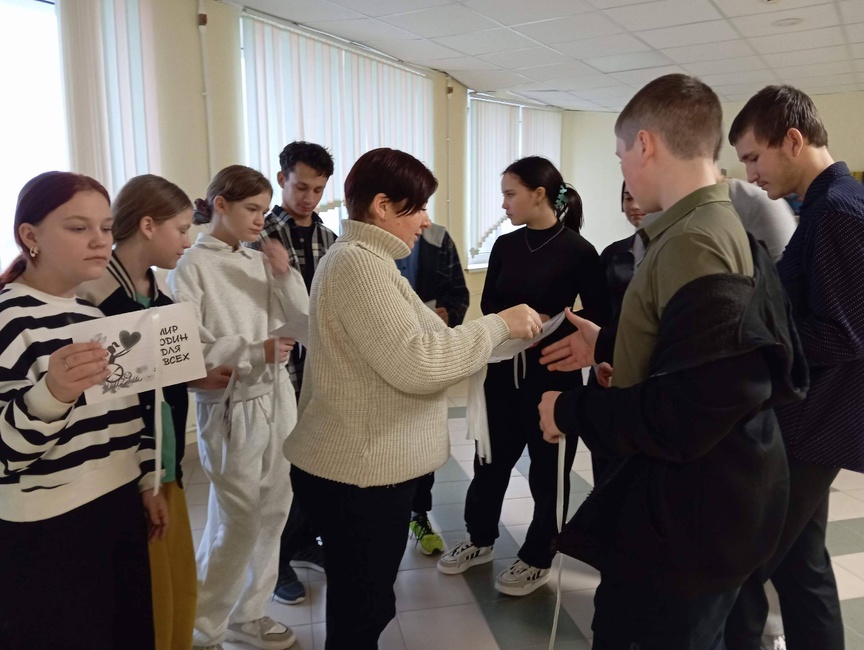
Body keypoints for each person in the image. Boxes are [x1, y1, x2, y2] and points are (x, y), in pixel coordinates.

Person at [537, 74, 807, 649]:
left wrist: (568, 409)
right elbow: (700, 356)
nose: (624, 172)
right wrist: (611, 347)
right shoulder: (709, 226)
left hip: (691, 518)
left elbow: (685, 413)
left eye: (621, 156)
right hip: (706, 503)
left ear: (645, 145)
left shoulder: (694, 242)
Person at [283, 147, 542, 649]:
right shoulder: (358, 265)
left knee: (369, 603)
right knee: (361, 612)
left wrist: (505, 339)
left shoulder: (372, 263)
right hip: (358, 475)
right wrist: (497, 325)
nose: (426, 221)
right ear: (382, 206)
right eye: (419, 207)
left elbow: (434, 341)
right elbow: (420, 363)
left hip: (368, 470)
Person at [724, 85, 864, 650]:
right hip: (815, 422)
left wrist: (753, 332)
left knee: (741, 569)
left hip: (813, 426)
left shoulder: (836, 211)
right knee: (802, 568)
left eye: (754, 157)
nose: (751, 174)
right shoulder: (828, 204)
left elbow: (844, 334)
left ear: (793, 140)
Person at [0, 171, 164, 650]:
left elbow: (128, 413)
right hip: (47, 529)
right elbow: (6, 454)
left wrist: (146, 480)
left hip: (117, 510)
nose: (99, 241)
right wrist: (53, 392)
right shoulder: (9, 321)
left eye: (106, 228)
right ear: (29, 236)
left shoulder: (93, 316)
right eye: (78, 228)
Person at [437, 155, 609, 597]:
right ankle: (479, 539)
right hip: (502, 374)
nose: (504, 204)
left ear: (539, 195)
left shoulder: (579, 251)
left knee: (548, 475)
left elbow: (598, 313)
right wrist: (513, 324)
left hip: (553, 377)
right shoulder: (505, 245)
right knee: (488, 464)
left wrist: (553, 324)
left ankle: (538, 557)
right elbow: (490, 304)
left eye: (510, 194)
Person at [168, 165, 309, 650]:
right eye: (251, 209)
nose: (259, 220)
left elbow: (302, 320)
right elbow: (187, 350)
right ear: (220, 205)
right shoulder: (190, 267)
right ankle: (203, 628)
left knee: (273, 511)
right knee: (239, 519)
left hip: (277, 397)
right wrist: (254, 351)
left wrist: (284, 272)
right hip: (229, 405)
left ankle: (248, 615)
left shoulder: (257, 261)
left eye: (264, 211)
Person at [78, 174, 201, 650]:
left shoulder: (159, 293)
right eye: (181, 229)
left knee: (178, 585)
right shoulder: (91, 299)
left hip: (165, 463)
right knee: (145, 596)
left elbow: (160, 375)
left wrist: (197, 374)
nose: (187, 241)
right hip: (124, 473)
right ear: (148, 226)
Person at [248, 141, 336, 605]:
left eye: (318, 190)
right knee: (278, 472)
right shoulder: (257, 236)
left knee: (312, 465)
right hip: (275, 372)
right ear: (282, 178)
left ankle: (302, 541)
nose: (309, 198)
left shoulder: (331, 239)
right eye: (301, 187)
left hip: (321, 371)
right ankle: (277, 561)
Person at [395, 220, 470, 555]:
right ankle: (386, 520)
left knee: (421, 437)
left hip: (425, 354)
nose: (424, 218)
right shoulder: (364, 243)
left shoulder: (437, 237)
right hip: (383, 358)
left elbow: (459, 293)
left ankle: (418, 514)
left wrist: (448, 314)